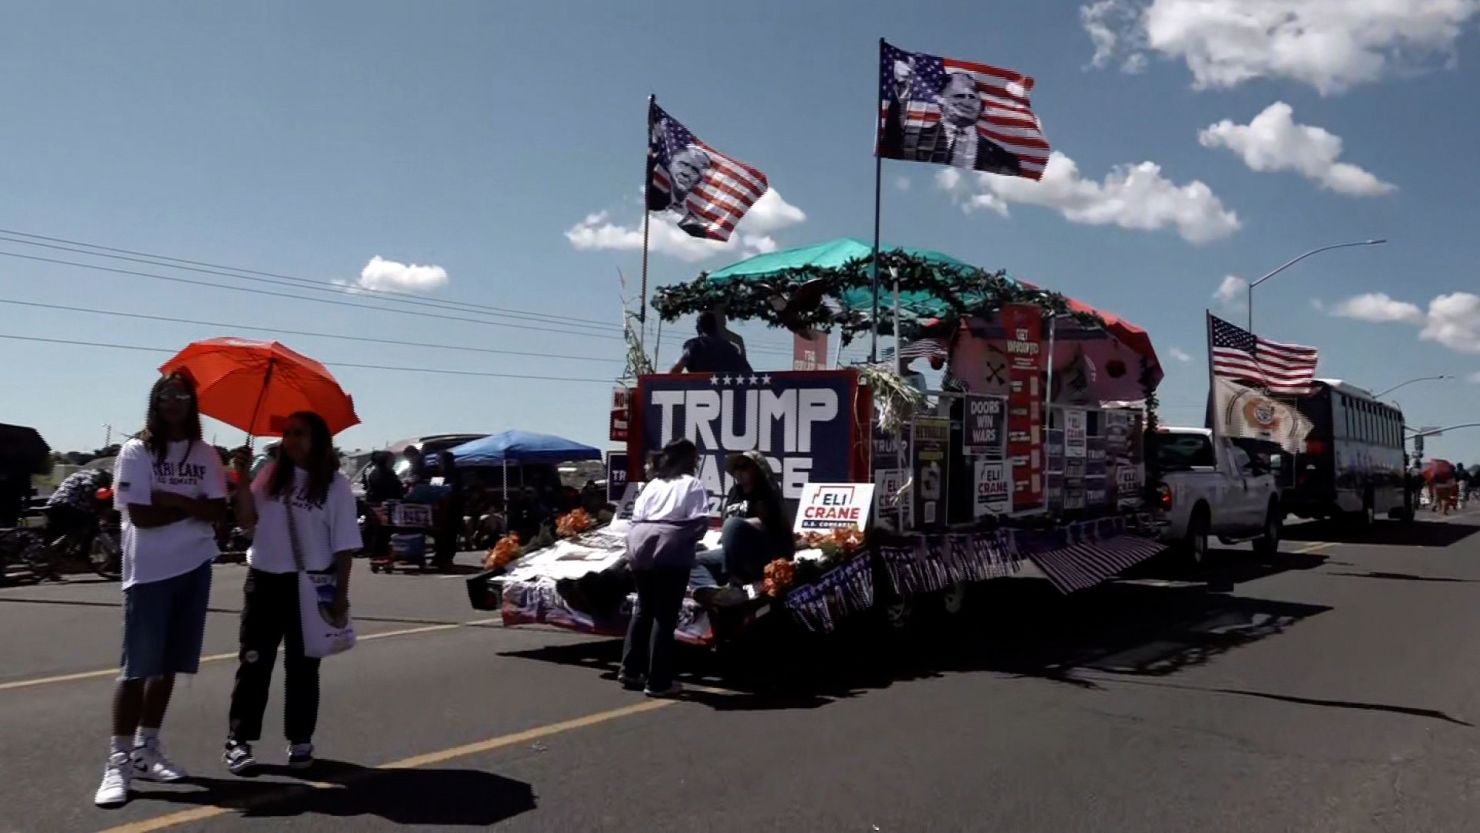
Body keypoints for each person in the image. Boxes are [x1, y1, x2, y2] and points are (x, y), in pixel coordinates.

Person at [95, 372, 228, 808]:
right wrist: (189, 506)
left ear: (193, 403)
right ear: (156, 401)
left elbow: (215, 511)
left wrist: (172, 499)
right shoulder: (136, 450)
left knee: (169, 665)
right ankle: (117, 761)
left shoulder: (205, 453)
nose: (175, 401)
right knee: (136, 668)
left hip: (195, 566)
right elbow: (141, 516)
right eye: (167, 394)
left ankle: (147, 750)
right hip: (149, 572)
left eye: (184, 395)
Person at [223, 411, 360, 775]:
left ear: (317, 439)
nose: (292, 439)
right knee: (254, 662)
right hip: (265, 580)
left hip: (311, 584)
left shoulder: (335, 485)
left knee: (303, 666)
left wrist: (340, 595)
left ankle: (300, 739)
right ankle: (239, 740)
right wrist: (240, 478)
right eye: (287, 433)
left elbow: (344, 546)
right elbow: (247, 521)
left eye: (300, 433)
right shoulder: (270, 475)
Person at [619, 439, 709, 697]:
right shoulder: (691, 484)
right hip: (669, 551)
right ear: (688, 460)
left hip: (639, 546)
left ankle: (630, 669)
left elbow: (636, 518)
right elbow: (699, 521)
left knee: (644, 609)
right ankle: (658, 681)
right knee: (664, 615)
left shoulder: (653, 485)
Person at [692, 452, 793, 608]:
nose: (739, 472)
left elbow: (769, 523)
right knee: (692, 559)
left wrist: (737, 527)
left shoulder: (766, 492)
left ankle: (734, 581)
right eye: (736, 468)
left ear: (757, 470)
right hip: (732, 553)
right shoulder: (735, 492)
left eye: (744, 467)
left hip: (761, 552)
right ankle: (714, 593)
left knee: (733, 524)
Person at [909, 72, 1021, 176]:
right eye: (959, 96)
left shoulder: (1004, 160)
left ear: (981, 107)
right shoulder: (912, 142)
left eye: (972, 97)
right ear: (941, 103)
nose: (967, 102)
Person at [44, 466, 110, 551]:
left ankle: (69, 549)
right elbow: (89, 493)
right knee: (89, 523)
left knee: (82, 522)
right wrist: (100, 511)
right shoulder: (92, 478)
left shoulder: (81, 474)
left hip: (55, 503)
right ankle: (61, 546)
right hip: (67, 505)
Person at [670, 310, 752, 375]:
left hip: (698, 391)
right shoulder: (730, 348)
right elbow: (748, 374)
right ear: (716, 328)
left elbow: (675, 369)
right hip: (726, 393)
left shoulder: (693, 345)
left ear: (698, 328)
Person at [434, 451, 464, 571]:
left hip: (453, 508)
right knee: (439, 534)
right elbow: (434, 488)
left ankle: (447, 559)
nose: (439, 463)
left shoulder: (455, 474)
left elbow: (456, 491)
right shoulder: (439, 473)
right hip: (440, 509)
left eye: (440, 460)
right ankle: (439, 557)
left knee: (450, 534)